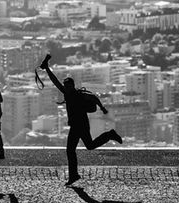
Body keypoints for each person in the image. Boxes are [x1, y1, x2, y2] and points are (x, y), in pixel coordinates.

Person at [40, 55, 123, 186]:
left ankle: (74, 175)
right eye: (65, 87)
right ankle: (74, 174)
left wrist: (103, 108)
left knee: (75, 149)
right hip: (79, 126)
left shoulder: (78, 94)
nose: (66, 88)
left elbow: (94, 98)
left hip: (80, 126)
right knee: (86, 146)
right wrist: (47, 69)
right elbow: (55, 81)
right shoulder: (70, 94)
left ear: (72, 86)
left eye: (68, 86)